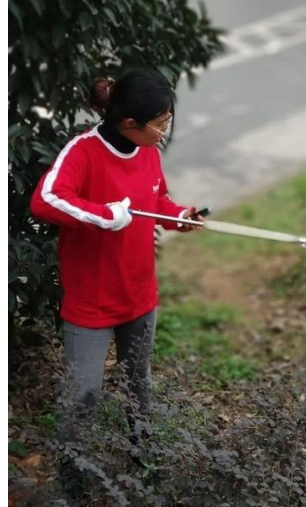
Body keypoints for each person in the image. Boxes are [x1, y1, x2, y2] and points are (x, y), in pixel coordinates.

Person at [31, 69, 203, 424]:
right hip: (91, 304)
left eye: (167, 120)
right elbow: (45, 200)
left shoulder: (147, 150)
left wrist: (180, 216)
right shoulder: (83, 153)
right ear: (129, 122)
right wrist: (103, 215)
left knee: (138, 387)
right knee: (82, 398)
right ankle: (74, 478)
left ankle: (143, 463)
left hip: (139, 297)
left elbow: (156, 202)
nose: (165, 130)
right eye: (160, 123)